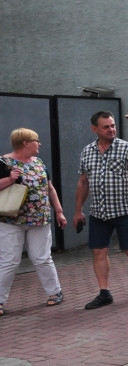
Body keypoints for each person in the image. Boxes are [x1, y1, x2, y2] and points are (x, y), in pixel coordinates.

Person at [73, 111, 128, 309]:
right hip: (99, 212)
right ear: (94, 129)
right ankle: (105, 293)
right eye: (106, 126)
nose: (111, 129)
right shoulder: (87, 152)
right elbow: (83, 182)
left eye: (113, 125)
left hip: (125, 211)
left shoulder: (127, 149)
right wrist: (78, 210)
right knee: (98, 251)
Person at [0, 129, 66, 316]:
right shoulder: (4, 163)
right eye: (36, 140)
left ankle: (55, 292)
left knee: (42, 257)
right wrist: (9, 179)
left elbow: (50, 188)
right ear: (26, 143)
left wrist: (59, 211)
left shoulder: (38, 162)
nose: (40, 144)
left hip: (40, 219)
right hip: (10, 220)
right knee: (9, 261)